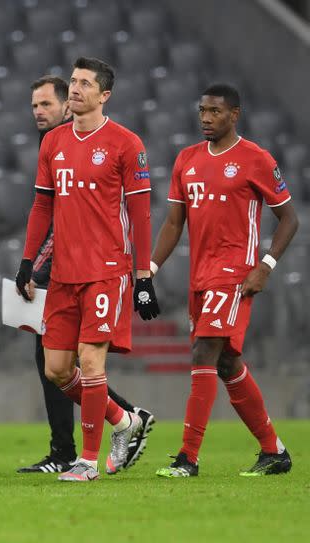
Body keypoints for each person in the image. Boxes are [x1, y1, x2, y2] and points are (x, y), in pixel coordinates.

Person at [16, 57, 160, 482]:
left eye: (84, 83)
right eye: (73, 81)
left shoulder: (126, 143)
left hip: (106, 271)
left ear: (104, 94)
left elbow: (141, 214)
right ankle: (125, 420)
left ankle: (87, 462)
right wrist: (26, 261)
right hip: (63, 275)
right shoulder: (53, 143)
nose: (75, 88)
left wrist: (143, 277)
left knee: (92, 363)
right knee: (57, 369)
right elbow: (43, 205)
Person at [152, 84, 298, 478]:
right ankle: (274, 451)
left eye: (215, 112)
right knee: (227, 362)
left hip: (235, 273)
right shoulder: (187, 159)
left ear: (234, 115)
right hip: (200, 276)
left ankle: (188, 458)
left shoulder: (255, 159)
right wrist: (149, 267)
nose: (205, 118)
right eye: (202, 110)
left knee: (204, 353)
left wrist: (264, 265)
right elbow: (173, 223)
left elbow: (289, 218)